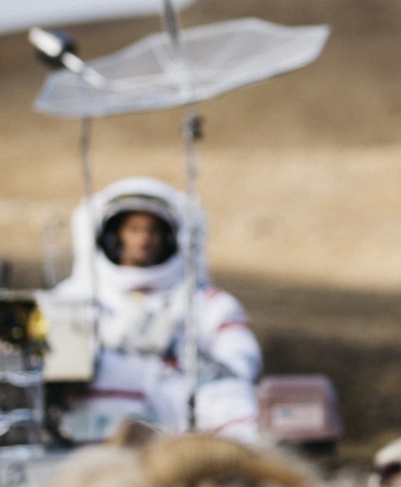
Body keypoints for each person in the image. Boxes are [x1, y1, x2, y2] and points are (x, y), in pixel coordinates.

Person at [51, 177, 261, 442]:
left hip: (183, 395)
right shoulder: (78, 296)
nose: (144, 239)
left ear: (168, 237)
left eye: (153, 231)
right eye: (134, 229)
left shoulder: (201, 298)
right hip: (114, 406)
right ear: (116, 234)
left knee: (233, 395)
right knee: (106, 376)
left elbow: (239, 354)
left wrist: (205, 368)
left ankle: (232, 461)